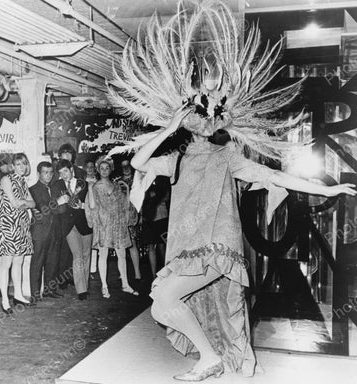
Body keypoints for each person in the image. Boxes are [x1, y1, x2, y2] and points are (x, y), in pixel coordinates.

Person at [108, 2, 357, 380]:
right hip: (186, 251)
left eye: (211, 112)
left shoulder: (230, 159)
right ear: (187, 123)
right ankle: (211, 358)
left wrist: (331, 188)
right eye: (196, 114)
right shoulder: (174, 159)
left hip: (216, 251)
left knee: (163, 303)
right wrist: (167, 128)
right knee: (166, 304)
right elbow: (140, 162)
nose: (205, 119)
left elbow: (284, 178)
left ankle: (208, 359)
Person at [85, 157, 139, 298]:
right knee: (103, 255)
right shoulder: (95, 187)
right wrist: (90, 188)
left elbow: (124, 205)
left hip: (117, 224)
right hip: (103, 225)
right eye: (101, 168)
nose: (104, 170)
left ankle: (125, 284)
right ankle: (104, 286)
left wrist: (126, 189)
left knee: (122, 255)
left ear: (111, 169)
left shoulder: (116, 186)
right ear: (98, 170)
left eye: (107, 168)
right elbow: (91, 206)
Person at [0, 153, 36, 314]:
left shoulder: (22, 181)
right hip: (8, 225)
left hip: (22, 224)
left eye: (24, 164)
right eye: (18, 164)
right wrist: (25, 203)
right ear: (13, 165)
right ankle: (5, 299)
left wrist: (24, 203)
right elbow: (14, 203)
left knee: (18, 261)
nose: (22, 167)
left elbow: (32, 203)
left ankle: (18, 294)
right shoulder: (6, 179)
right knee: (7, 263)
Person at [54, 159, 92, 300]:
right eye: (60, 173)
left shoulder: (84, 184)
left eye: (65, 171)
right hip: (69, 225)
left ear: (71, 169)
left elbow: (92, 206)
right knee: (77, 256)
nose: (64, 175)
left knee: (86, 255)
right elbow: (54, 205)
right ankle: (81, 290)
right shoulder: (57, 185)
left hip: (85, 224)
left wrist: (81, 206)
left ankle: (86, 286)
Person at [29, 161, 67, 301]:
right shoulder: (33, 189)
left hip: (54, 230)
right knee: (37, 263)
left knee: (52, 262)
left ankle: (49, 290)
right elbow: (44, 209)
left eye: (51, 172)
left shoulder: (54, 188)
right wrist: (58, 202)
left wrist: (58, 205)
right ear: (38, 173)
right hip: (40, 232)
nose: (49, 175)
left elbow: (61, 210)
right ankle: (34, 294)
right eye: (45, 172)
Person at [115, 158, 141, 280]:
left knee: (132, 244)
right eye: (123, 166)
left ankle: (137, 273)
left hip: (132, 216)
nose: (125, 168)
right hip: (120, 217)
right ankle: (122, 273)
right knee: (122, 246)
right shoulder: (118, 182)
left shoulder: (137, 180)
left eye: (127, 165)